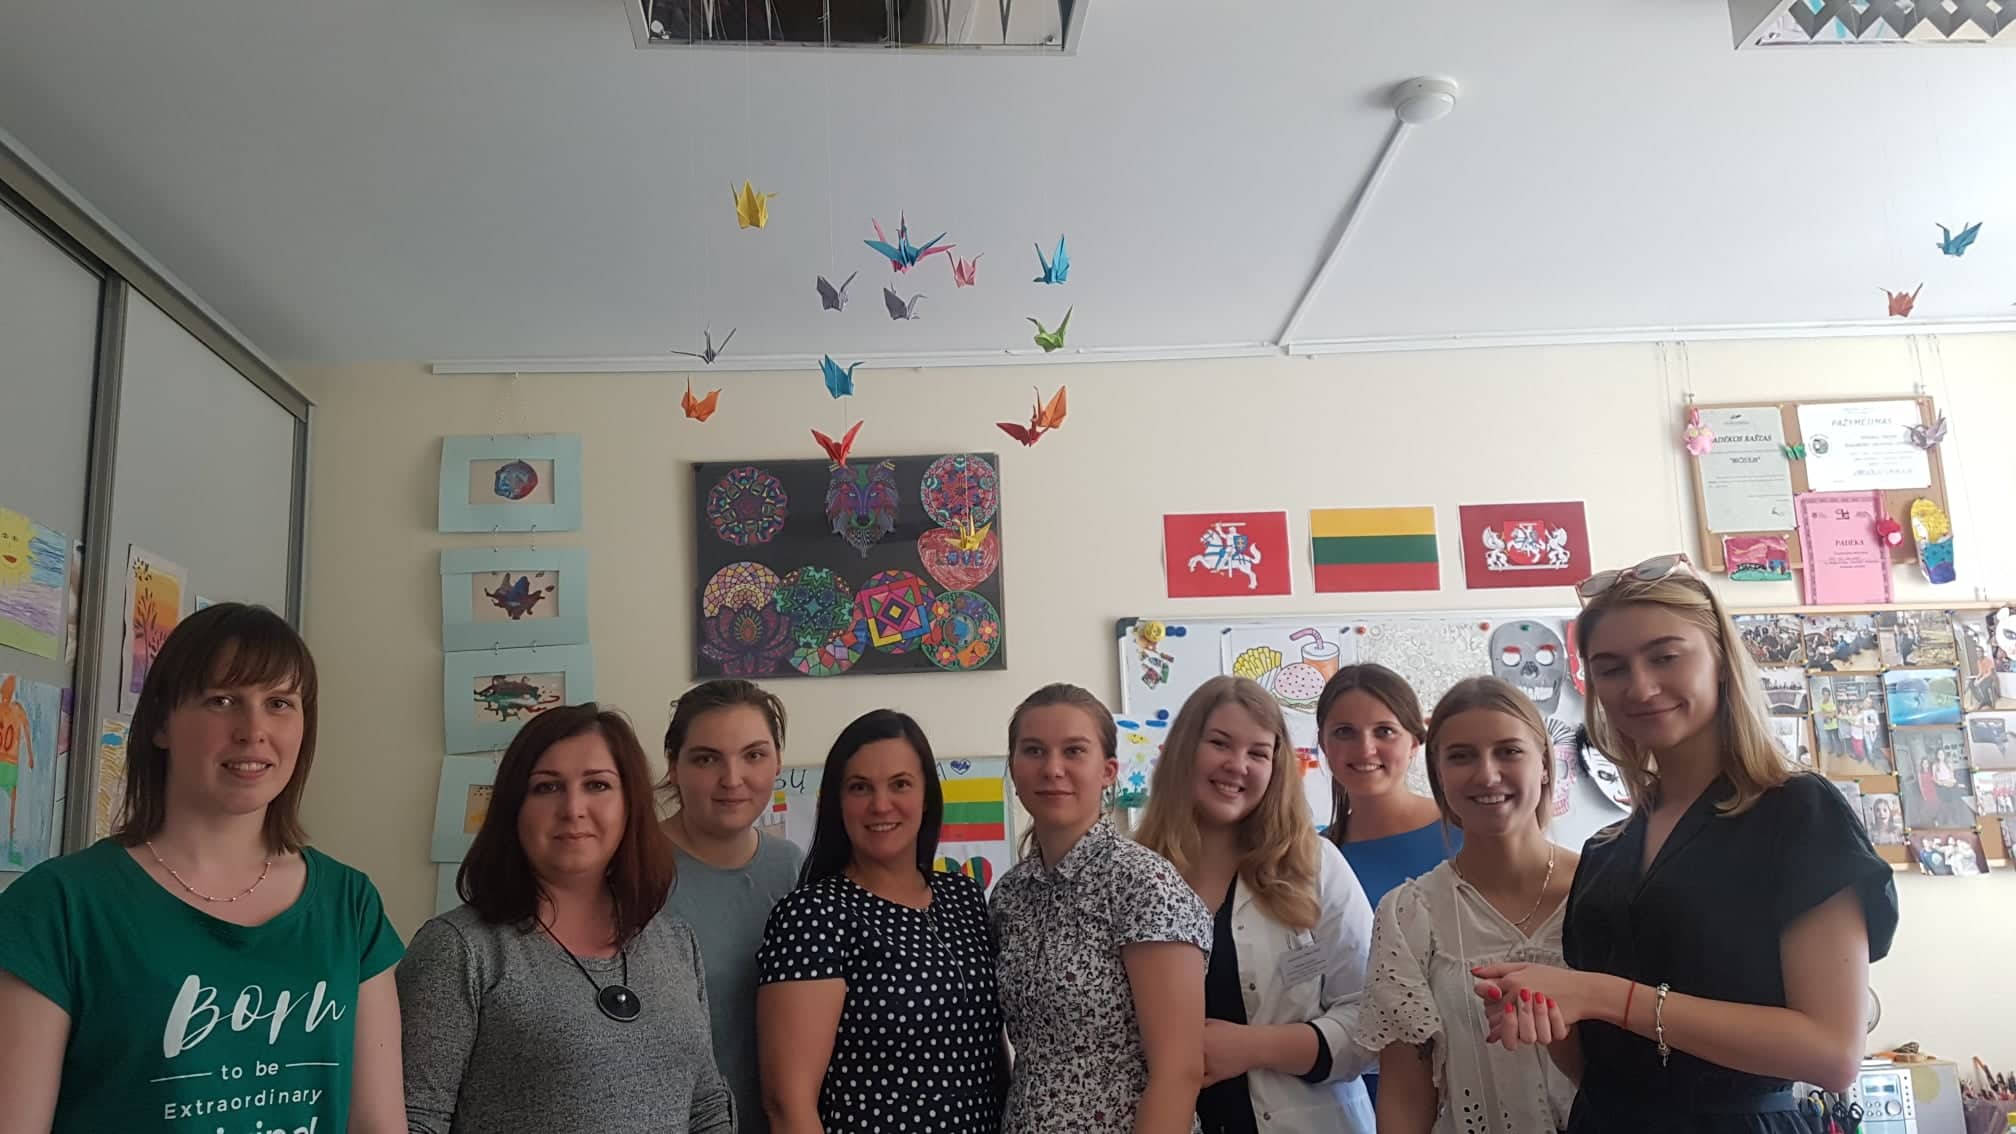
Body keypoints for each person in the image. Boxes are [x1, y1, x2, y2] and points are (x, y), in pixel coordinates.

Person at [1473, 554, 1899, 1133]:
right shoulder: (1606, 851)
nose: (1640, 687)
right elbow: (1601, 1068)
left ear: (1720, 658)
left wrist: (1601, 995)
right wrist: (1544, 1012)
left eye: (1665, 657)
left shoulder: (1798, 813)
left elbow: (1831, 1054)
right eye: (1610, 668)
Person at [0, 602, 405, 1132]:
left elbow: (377, 1123)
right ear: (161, 723)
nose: (253, 730)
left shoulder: (350, 905)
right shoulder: (57, 909)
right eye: (222, 700)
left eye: (279, 703)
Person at [399, 703, 733, 1134]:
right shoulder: (457, 949)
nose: (573, 808)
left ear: (630, 805)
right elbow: (415, 1119)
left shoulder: (675, 942)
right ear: (513, 808)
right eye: (547, 787)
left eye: (597, 785)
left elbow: (706, 1106)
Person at [1134, 676, 1377, 1134]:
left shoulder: (1315, 864)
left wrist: (1252, 1048)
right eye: (1219, 744)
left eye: (1258, 753)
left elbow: (1373, 1020)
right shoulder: (1134, 873)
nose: (1237, 765)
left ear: (1276, 767)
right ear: (1184, 749)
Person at [756, 709, 1003, 1134]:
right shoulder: (813, 916)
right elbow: (787, 1103)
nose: (881, 804)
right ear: (837, 803)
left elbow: (991, 1057)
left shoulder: (964, 897)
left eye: (900, 784)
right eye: (860, 787)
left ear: (926, 796)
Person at [1356, 676, 1577, 1133]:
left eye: (1509, 751)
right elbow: (1405, 1094)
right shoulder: (1409, 915)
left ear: (1544, 764)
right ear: (1438, 773)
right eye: (1461, 756)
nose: (1487, 774)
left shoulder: (1604, 889)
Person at [991, 682, 1211, 1134]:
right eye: (1033, 751)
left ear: (1108, 771)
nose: (1052, 769)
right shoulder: (1011, 895)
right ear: (1013, 768)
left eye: (1074, 751)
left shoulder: (1144, 883)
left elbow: (1179, 1072)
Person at [660, 679, 804, 1134]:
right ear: (674, 766)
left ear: (777, 762)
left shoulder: (794, 869)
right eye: (707, 759)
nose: (732, 779)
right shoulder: (628, 871)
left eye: (753, 755)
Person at [1315, 664, 1459, 1105]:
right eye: (1344, 732)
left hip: (1467, 1078)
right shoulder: (1312, 859)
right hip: (1354, 1093)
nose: (1365, 748)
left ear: (1415, 742)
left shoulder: (1468, 833)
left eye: (1385, 731)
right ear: (1323, 744)